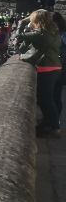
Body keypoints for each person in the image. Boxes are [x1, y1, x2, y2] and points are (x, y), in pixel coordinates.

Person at [18, 9, 62, 137]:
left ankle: (54, 126)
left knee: (46, 100)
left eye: (32, 19)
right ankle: (49, 124)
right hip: (54, 67)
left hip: (47, 68)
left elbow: (18, 36)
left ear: (36, 20)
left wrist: (22, 23)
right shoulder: (53, 32)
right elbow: (23, 47)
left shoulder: (41, 34)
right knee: (46, 99)